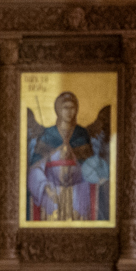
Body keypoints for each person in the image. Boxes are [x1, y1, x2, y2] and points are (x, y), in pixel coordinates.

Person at [25, 90, 111, 221]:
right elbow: (35, 168)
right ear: (58, 109)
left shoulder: (81, 134)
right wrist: (46, 187)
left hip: (78, 194)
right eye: (65, 107)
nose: (69, 111)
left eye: (72, 108)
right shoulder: (48, 135)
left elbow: (89, 165)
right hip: (53, 194)